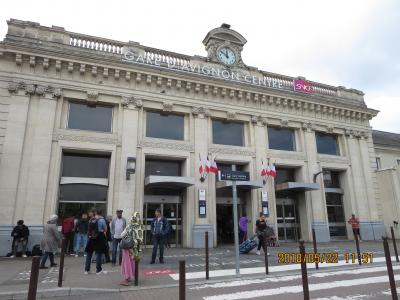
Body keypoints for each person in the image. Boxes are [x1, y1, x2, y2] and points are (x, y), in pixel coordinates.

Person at [119, 212, 144, 286]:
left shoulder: (130, 225)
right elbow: (141, 238)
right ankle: (134, 276)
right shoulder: (140, 225)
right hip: (135, 248)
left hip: (128, 247)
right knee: (134, 262)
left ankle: (127, 278)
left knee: (127, 262)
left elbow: (122, 235)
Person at [84, 210, 108, 275]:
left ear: (95, 213)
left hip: (91, 237)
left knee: (89, 254)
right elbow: (105, 229)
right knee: (98, 253)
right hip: (99, 237)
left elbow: (89, 229)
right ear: (101, 213)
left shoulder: (91, 219)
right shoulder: (102, 220)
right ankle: (98, 270)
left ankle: (86, 270)